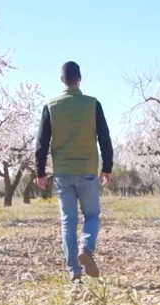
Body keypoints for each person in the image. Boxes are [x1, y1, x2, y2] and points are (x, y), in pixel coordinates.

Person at [35, 61, 114, 283]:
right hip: (87, 170)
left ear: (62, 80)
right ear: (80, 78)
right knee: (91, 216)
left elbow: (41, 142)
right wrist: (107, 167)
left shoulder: (51, 106)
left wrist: (40, 171)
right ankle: (86, 248)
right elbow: (104, 138)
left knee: (68, 222)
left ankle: (75, 273)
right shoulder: (93, 104)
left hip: (62, 172)